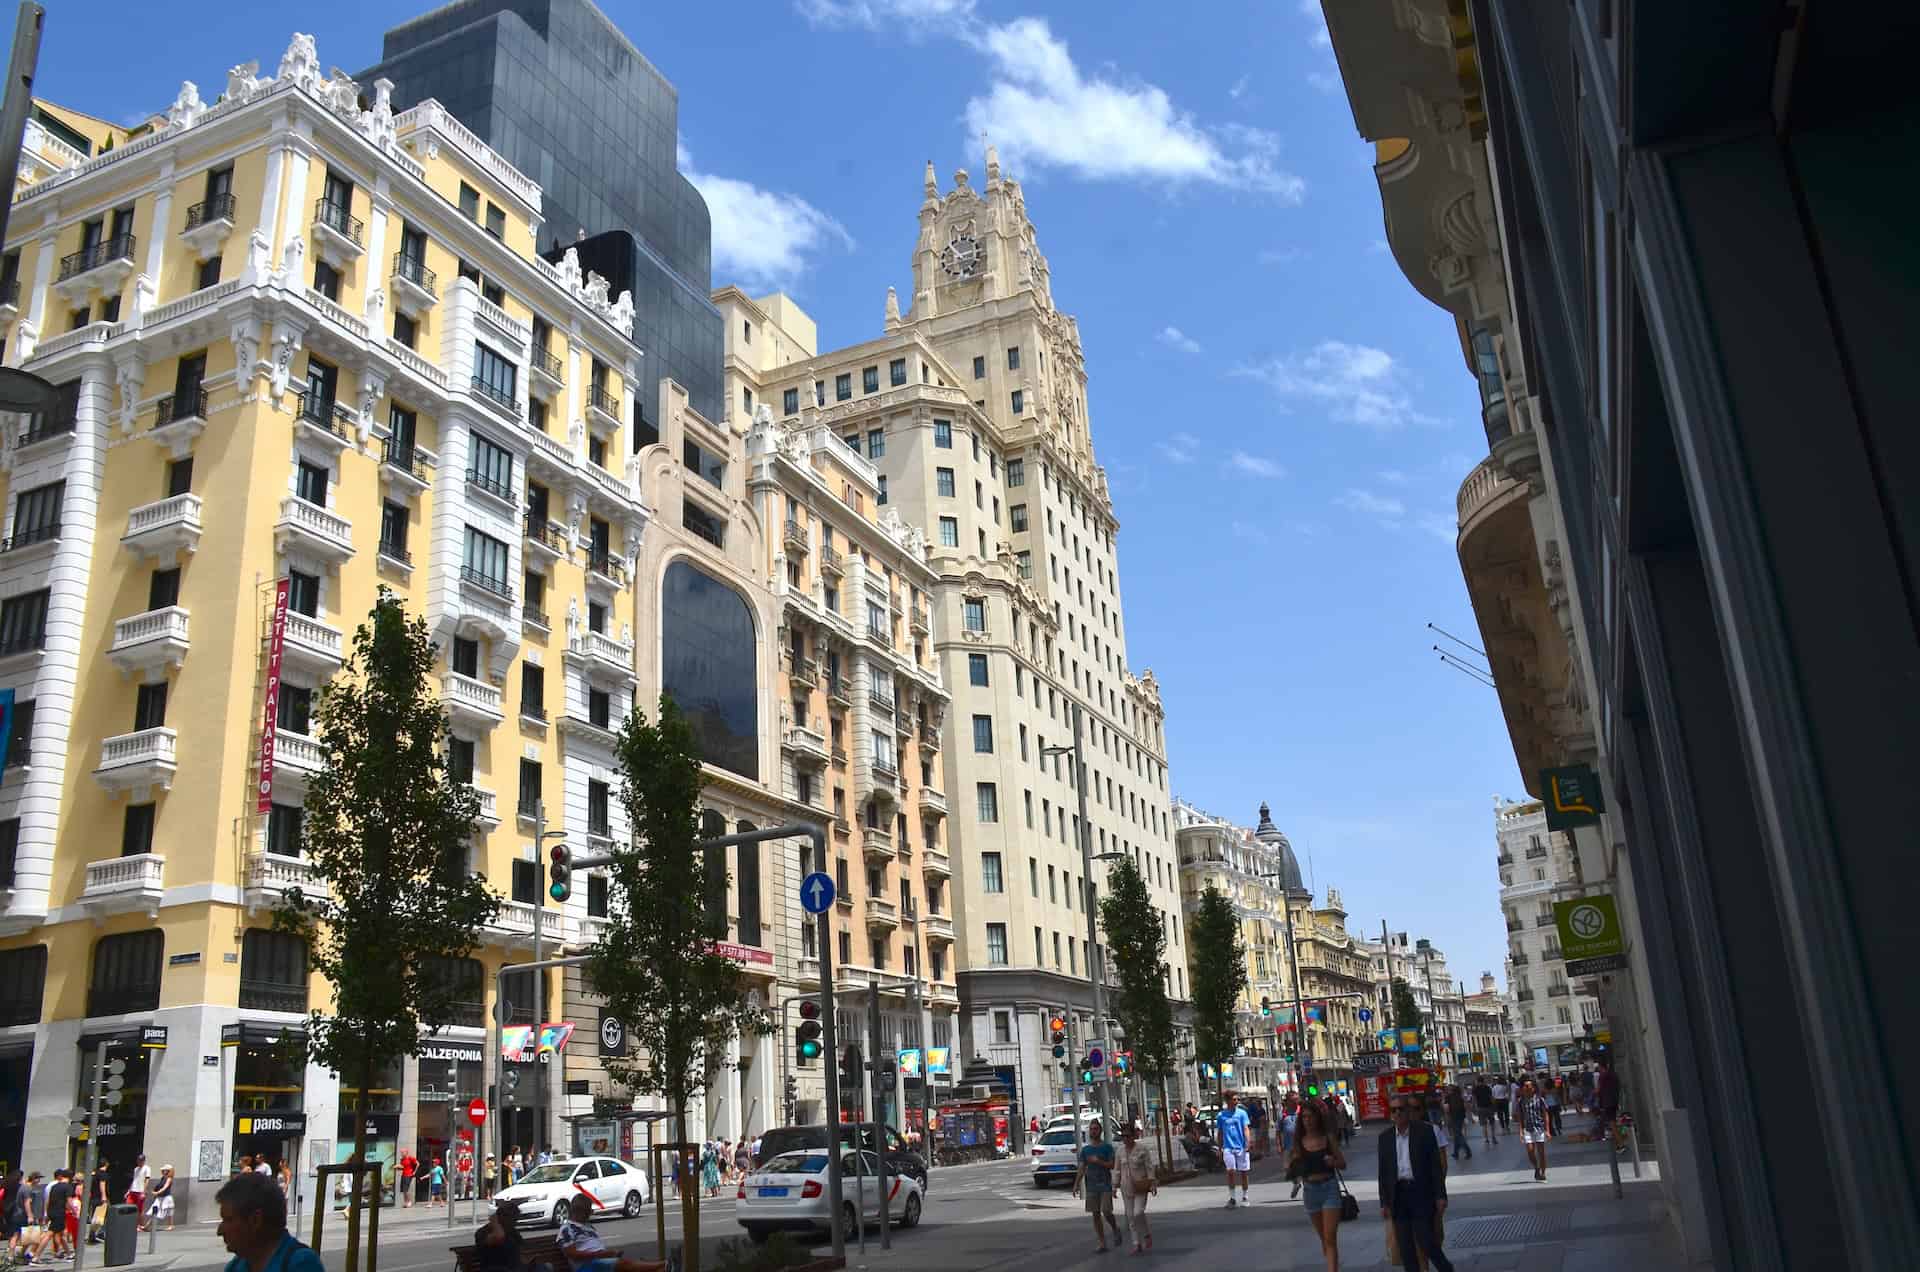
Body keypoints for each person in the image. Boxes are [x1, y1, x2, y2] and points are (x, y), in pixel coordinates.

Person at [1378, 1094, 1454, 1272]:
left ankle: (1446, 1268)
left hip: (1420, 1193)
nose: (1397, 1113)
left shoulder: (1424, 1132)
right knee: (1406, 1248)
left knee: (1427, 1241)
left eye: (1401, 1109)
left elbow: (1436, 1166)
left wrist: (1440, 1195)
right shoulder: (1385, 1137)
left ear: (1408, 1111)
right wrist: (1384, 1202)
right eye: (1393, 1110)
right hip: (1398, 1195)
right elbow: (1383, 1173)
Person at [216, 1170, 324, 1272]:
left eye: (228, 1220)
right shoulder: (236, 1266)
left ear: (255, 1220)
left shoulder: (300, 1264)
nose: (219, 1231)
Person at [1288, 1098, 1349, 1272]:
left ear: (1317, 1118)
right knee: (1324, 1239)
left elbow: (1343, 1164)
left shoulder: (1328, 1138)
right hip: (1310, 1191)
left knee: (1330, 1237)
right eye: (1304, 1117)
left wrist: (1333, 1161)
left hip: (1329, 1188)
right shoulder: (1299, 1141)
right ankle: (1333, 1262)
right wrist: (1292, 1166)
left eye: (1310, 1117)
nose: (1307, 1121)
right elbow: (1294, 1166)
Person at [555, 1193, 653, 1272]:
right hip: (586, 1266)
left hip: (600, 1262)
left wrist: (608, 1254)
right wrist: (601, 1254)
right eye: (589, 1211)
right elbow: (574, 1255)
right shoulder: (566, 1229)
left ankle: (660, 1267)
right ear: (579, 1211)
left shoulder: (588, 1227)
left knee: (626, 1265)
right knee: (623, 1264)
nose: (590, 1214)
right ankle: (662, 1265)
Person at [1070, 1117, 1121, 1254]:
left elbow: (1112, 1165)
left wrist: (1098, 1161)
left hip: (1105, 1185)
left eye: (1096, 1129)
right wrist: (1076, 1185)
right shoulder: (1086, 1150)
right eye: (1092, 1129)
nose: (1094, 1131)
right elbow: (1081, 1168)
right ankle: (1102, 1242)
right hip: (1091, 1186)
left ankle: (1115, 1228)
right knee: (1095, 1214)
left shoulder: (1107, 1148)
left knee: (1106, 1211)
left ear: (1101, 1130)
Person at [1116, 1121, 1156, 1254]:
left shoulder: (1142, 1149)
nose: (1126, 1139)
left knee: (1138, 1212)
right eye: (1124, 1136)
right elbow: (1117, 1170)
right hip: (1126, 1187)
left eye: (1128, 1136)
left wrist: (1152, 1183)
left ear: (1133, 1136)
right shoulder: (1120, 1151)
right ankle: (1136, 1243)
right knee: (1130, 1216)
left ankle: (1146, 1234)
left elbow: (1149, 1167)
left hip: (1140, 1186)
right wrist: (1114, 1186)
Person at [1215, 1090, 1252, 1209]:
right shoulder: (1221, 1115)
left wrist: (1248, 1143)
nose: (1236, 1101)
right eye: (1234, 1099)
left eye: (1237, 1099)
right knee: (1230, 1171)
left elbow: (1246, 1128)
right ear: (1228, 1101)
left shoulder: (1242, 1113)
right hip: (1228, 1147)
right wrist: (1220, 1147)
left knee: (1244, 1172)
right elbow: (1220, 1132)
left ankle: (1245, 1196)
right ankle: (1232, 1198)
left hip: (1241, 1147)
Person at [474, 1198, 525, 1272]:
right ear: (500, 1217)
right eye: (513, 1219)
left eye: (515, 1219)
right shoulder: (483, 1232)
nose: (515, 1222)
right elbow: (498, 1237)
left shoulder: (512, 1231)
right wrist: (495, 1222)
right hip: (495, 1268)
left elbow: (521, 1246)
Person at [1516, 1079, 1551, 1181]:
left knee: (1541, 1152)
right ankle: (1536, 1167)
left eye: (1529, 1086)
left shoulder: (1540, 1099)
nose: (1526, 1088)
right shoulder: (1521, 1101)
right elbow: (1520, 1117)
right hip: (1528, 1129)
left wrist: (1547, 1130)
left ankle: (1543, 1173)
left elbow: (1545, 1115)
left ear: (1533, 1088)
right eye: (1525, 1086)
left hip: (1539, 1128)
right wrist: (1520, 1131)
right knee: (1530, 1151)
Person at [145, 1165, 176, 1233]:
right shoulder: (162, 1178)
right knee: (154, 1210)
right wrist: (154, 1192)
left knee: (169, 1211)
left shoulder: (169, 1178)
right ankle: (146, 1226)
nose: (163, 1171)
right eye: (163, 1170)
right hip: (160, 1197)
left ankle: (171, 1225)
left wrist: (157, 1192)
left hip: (166, 1197)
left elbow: (165, 1187)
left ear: (168, 1171)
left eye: (165, 1170)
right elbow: (158, 1186)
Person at [1444, 1087, 1472, 1160]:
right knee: (1457, 1135)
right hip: (1461, 1116)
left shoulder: (1448, 1097)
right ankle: (1456, 1153)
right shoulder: (1461, 1097)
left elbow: (1446, 1108)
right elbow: (1466, 1106)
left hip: (1453, 1117)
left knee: (1458, 1134)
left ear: (1451, 1090)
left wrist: (1447, 1116)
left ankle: (1468, 1151)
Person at [1471, 1077, 1497, 1147]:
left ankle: (1486, 1139)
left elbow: (1474, 1099)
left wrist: (1473, 1107)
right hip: (1489, 1107)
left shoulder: (1475, 1089)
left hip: (1480, 1108)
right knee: (1492, 1123)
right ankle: (1493, 1136)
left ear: (1477, 1081)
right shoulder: (1487, 1087)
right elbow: (1491, 1097)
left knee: (1484, 1124)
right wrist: (1494, 1106)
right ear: (1483, 1081)